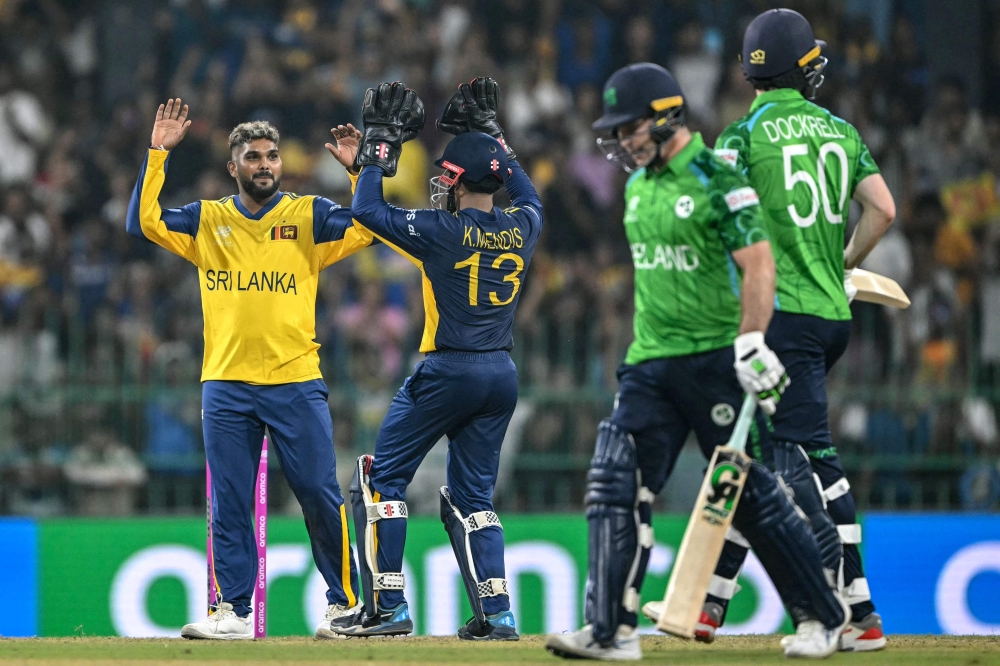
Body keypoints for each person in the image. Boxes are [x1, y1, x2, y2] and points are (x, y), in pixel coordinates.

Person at [544, 63, 849, 661]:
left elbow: (759, 264)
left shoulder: (717, 177)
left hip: (713, 361)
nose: (623, 140)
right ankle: (611, 632)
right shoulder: (637, 187)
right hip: (650, 362)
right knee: (613, 480)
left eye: (630, 126)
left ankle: (824, 616)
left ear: (666, 115)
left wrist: (753, 341)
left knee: (751, 496)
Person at [127, 100, 372, 640]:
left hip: (295, 379)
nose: (265, 164)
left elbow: (367, 228)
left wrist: (361, 173)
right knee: (229, 501)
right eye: (253, 157)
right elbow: (142, 221)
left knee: (319, 493)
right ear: (233, 166)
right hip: (227, 384)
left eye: (272, 156)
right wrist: (157, 155)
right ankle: (231, 612)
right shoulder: (207, 220)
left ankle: (344, 605)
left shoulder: (306, 215)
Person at [323, 79, 541, 640]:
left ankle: (387, 607)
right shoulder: (524, 226)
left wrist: (375, 150)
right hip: (500, 374)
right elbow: (528, 191)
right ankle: (497, 616)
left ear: (459, 181)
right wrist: (494, 138)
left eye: (447, 174)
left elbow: (368, 210)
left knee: (379, 480)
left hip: (447, 372)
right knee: (473, 498)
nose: (440, 181)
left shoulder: (441, 230)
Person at [708, 9, 895, 652]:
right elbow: (883, 210)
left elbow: (712, 224)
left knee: (798, 460)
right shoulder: (840, 131)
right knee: (764, 455)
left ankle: (850, 615)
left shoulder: (740, 136)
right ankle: (709, 604)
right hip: (829, 316)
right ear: (801, 65)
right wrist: (842, 260)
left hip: (778, 319)